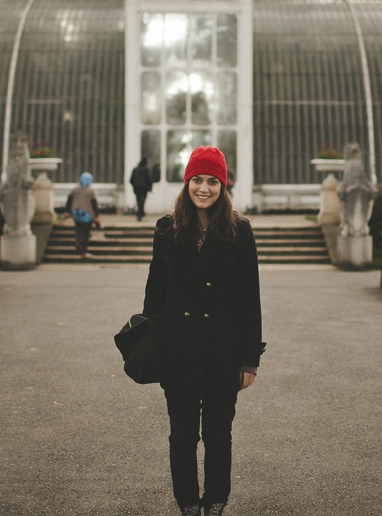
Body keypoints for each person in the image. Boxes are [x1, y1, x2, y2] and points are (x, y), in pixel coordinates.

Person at [142, 146, 264, 516]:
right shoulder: (167, 229)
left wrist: (249, 359)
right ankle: (188, 503)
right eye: (198, 179)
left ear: (222, 187)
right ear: (187, 183)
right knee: (181, 436)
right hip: (177, 349)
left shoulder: (239, 231)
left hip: (223, 352)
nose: (205, 188)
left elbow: (249, 298)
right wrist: (150, 346)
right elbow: (154, 294)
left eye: (213, 181)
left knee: (217, 435)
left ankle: (215, 501)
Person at [64, 172, 101, 259]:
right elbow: (94, 204)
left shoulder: (74, 189)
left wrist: (67, 211)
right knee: (86, 232)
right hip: (87, 214)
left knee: (78, 228)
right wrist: (96, 216)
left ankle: (77, 241)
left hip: (75, 213)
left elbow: (69, 201)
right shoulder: (91, 190)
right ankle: (84, 251)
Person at [129, 156, 154, 221]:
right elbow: (149, 179)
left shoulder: (135, 169)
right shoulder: (147, 170)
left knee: (139, 202)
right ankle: (141, 215)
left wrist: (135, 185)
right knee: (142, 202)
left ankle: (139, 215)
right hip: (144, 188)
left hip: (137, 188)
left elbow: (131, 180)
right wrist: (150, 187)